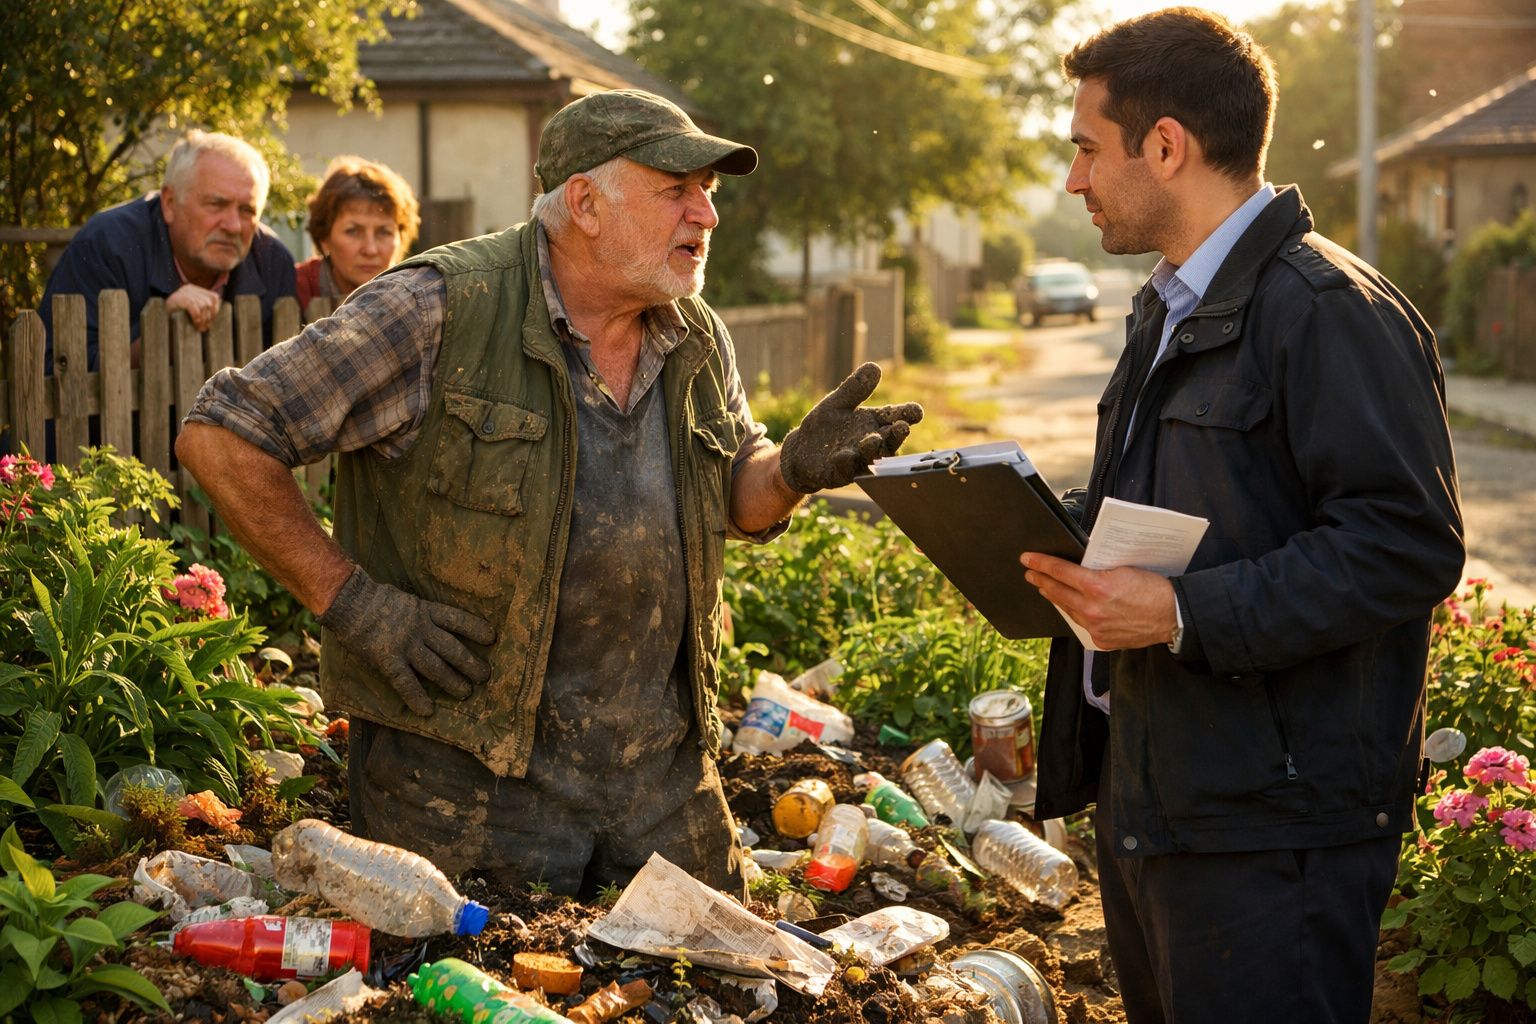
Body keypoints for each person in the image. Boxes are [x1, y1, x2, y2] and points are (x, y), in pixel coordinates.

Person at [176, 89, 921, 898]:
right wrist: (355, 605)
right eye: (678, 190)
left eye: (709, 191)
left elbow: (737, 501)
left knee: (709, 977)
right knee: (478, 983)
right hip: (468, 780)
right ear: (586, 204)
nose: (706, 215)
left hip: (657, 778)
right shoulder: (440, 308)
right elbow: (221, 435)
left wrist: (787, 475)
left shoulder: (694, 334)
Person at [1022, 10, 1464, 1023]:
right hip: (1165, 809)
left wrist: (1182, 615)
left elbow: (1407, 545)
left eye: (1086, 148)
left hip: (1275, 843)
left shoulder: (1328, 311)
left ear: (1166, 145)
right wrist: (1028, 527)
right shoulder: (1168, 305)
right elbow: (1182, 510)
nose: (1073, 180)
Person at [41, 130, 296, 368]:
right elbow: (63, 375)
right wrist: (156, 332)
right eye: (216, 204)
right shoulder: (106, 245)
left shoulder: (272, 261)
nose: (233, 226)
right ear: (170, 203)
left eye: (247, 210)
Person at [294, 155, 421, 311]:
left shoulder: (419, 297)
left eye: (384, 232)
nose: (370, 250)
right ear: (324, 238)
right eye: (353, 231)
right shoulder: (292, 288)